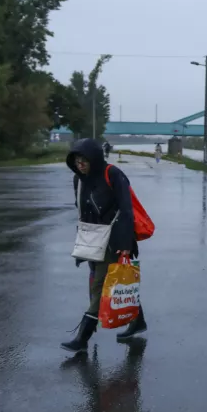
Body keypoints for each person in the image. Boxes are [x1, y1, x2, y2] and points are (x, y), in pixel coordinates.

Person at [63, 138, 148, 353]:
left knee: (99, 286)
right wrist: (82, 243)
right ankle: (137, 321)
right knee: (115, 284)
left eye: (84, 160)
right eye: (77, 161)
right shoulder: (79, 180)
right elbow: (83, 211)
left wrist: (125, 244)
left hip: (115, 240)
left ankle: (82, 337)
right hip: (94, 240)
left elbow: (127, 210)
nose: (80, 164)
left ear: (95, 158)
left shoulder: (113, 174)